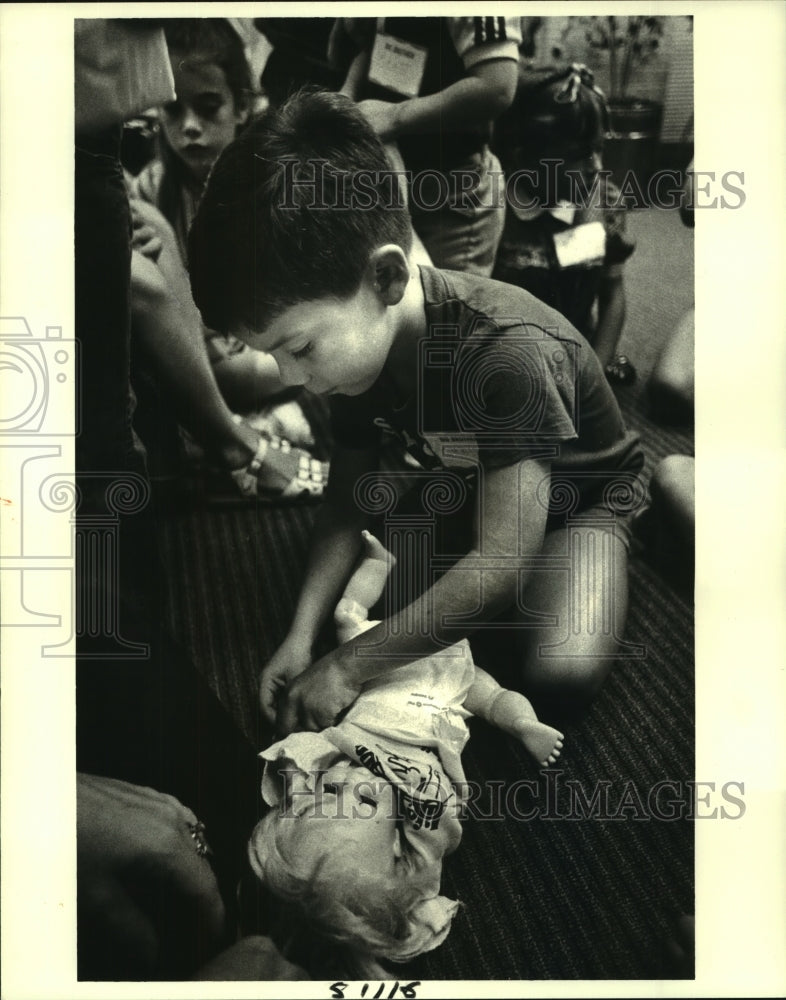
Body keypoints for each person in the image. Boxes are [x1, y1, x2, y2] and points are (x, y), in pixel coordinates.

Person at [187, 90, 645, 737]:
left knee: (559, 672)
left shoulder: (506, 353)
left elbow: (500, 562)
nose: (291, 379)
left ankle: (661, 499)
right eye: (270, 354)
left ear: (387, 279)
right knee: (402, 571)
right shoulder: (359, 357)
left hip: (584, 492)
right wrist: (301, 634)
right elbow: (347, 499)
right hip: (471, 476)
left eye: (299, 347)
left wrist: (347, 667)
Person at [248, 531, 563, 976]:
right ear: (398, 844)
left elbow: (296, 756)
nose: (356, 783)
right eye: (365, 803)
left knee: (347, 616)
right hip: (440, 697)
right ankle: (525, 724)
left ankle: (378, 564)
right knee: (493, 698)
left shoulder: (325, 768)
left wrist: (299, 777)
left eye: (331, 792)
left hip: (375, 675)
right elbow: (434, 850)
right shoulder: (424, 813)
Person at [127, 18, 328, 499]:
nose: (189, 127)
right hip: (206, 347)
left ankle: (226, 429)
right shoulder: (154, 186)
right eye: (173, 112)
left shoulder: (271, 180)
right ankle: (248, 427)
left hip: (270, 340)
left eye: (208, 106)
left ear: (242, 106)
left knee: (246, 368)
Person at [329, 16, 521, 276]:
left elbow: (497, 86)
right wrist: (347, 96)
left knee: (442, 305)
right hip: (381, 176)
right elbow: (377, 44)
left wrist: (394, 117)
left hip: (450, 190)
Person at [492, 63, 638, 384]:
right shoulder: (492, 206)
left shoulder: (604, 200)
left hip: (574, 356)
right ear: (525, 154)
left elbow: (612, 296)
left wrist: (594, 381)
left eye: (599, 150)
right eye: (579, 154)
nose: (597, 167)